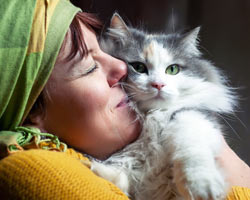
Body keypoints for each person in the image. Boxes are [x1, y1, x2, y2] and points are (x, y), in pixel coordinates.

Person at [0, 0, 249, 199]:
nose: (121, 68)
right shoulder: (35, 170)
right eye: (89, 67)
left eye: (105, 53)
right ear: (32, 108)